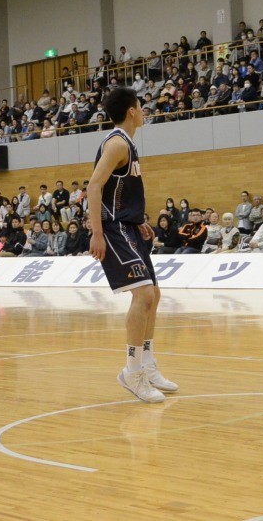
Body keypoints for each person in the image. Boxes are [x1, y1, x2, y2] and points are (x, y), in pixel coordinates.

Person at [87, 86, 176, 404]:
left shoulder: (127, 144)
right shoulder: (115, 143)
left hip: (129, 226)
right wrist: (97, 232)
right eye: (141, 105)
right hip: (113, 229)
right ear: (131, 111)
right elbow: (94, 186)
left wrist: (138, 219)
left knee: (154, 294)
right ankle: (131, 371)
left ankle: (147, 364)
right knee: (144, 294)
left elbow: (119, 190)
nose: (144, 109)